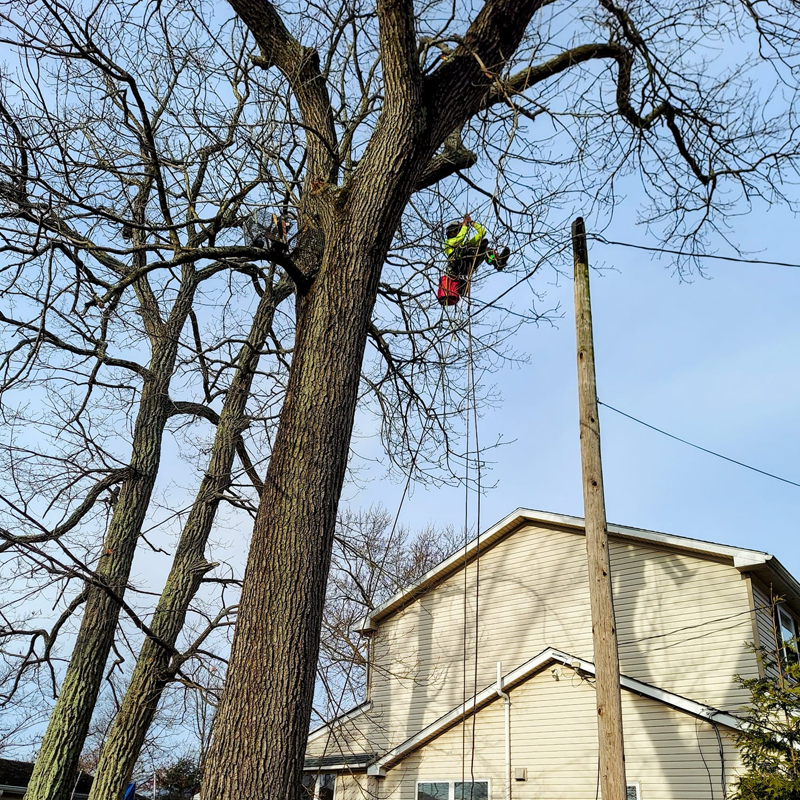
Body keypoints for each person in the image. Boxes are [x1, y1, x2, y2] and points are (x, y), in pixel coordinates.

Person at [437, 214, 509, 306]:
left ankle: (497, 262)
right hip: (459, 265)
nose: (455, 233)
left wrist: (472, 223)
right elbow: (459, 239)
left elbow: (482, 233)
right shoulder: (448, 243)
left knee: (485, 248)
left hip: (470, 262)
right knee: (464, 249)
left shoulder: (465, 244)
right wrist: (464, 226)